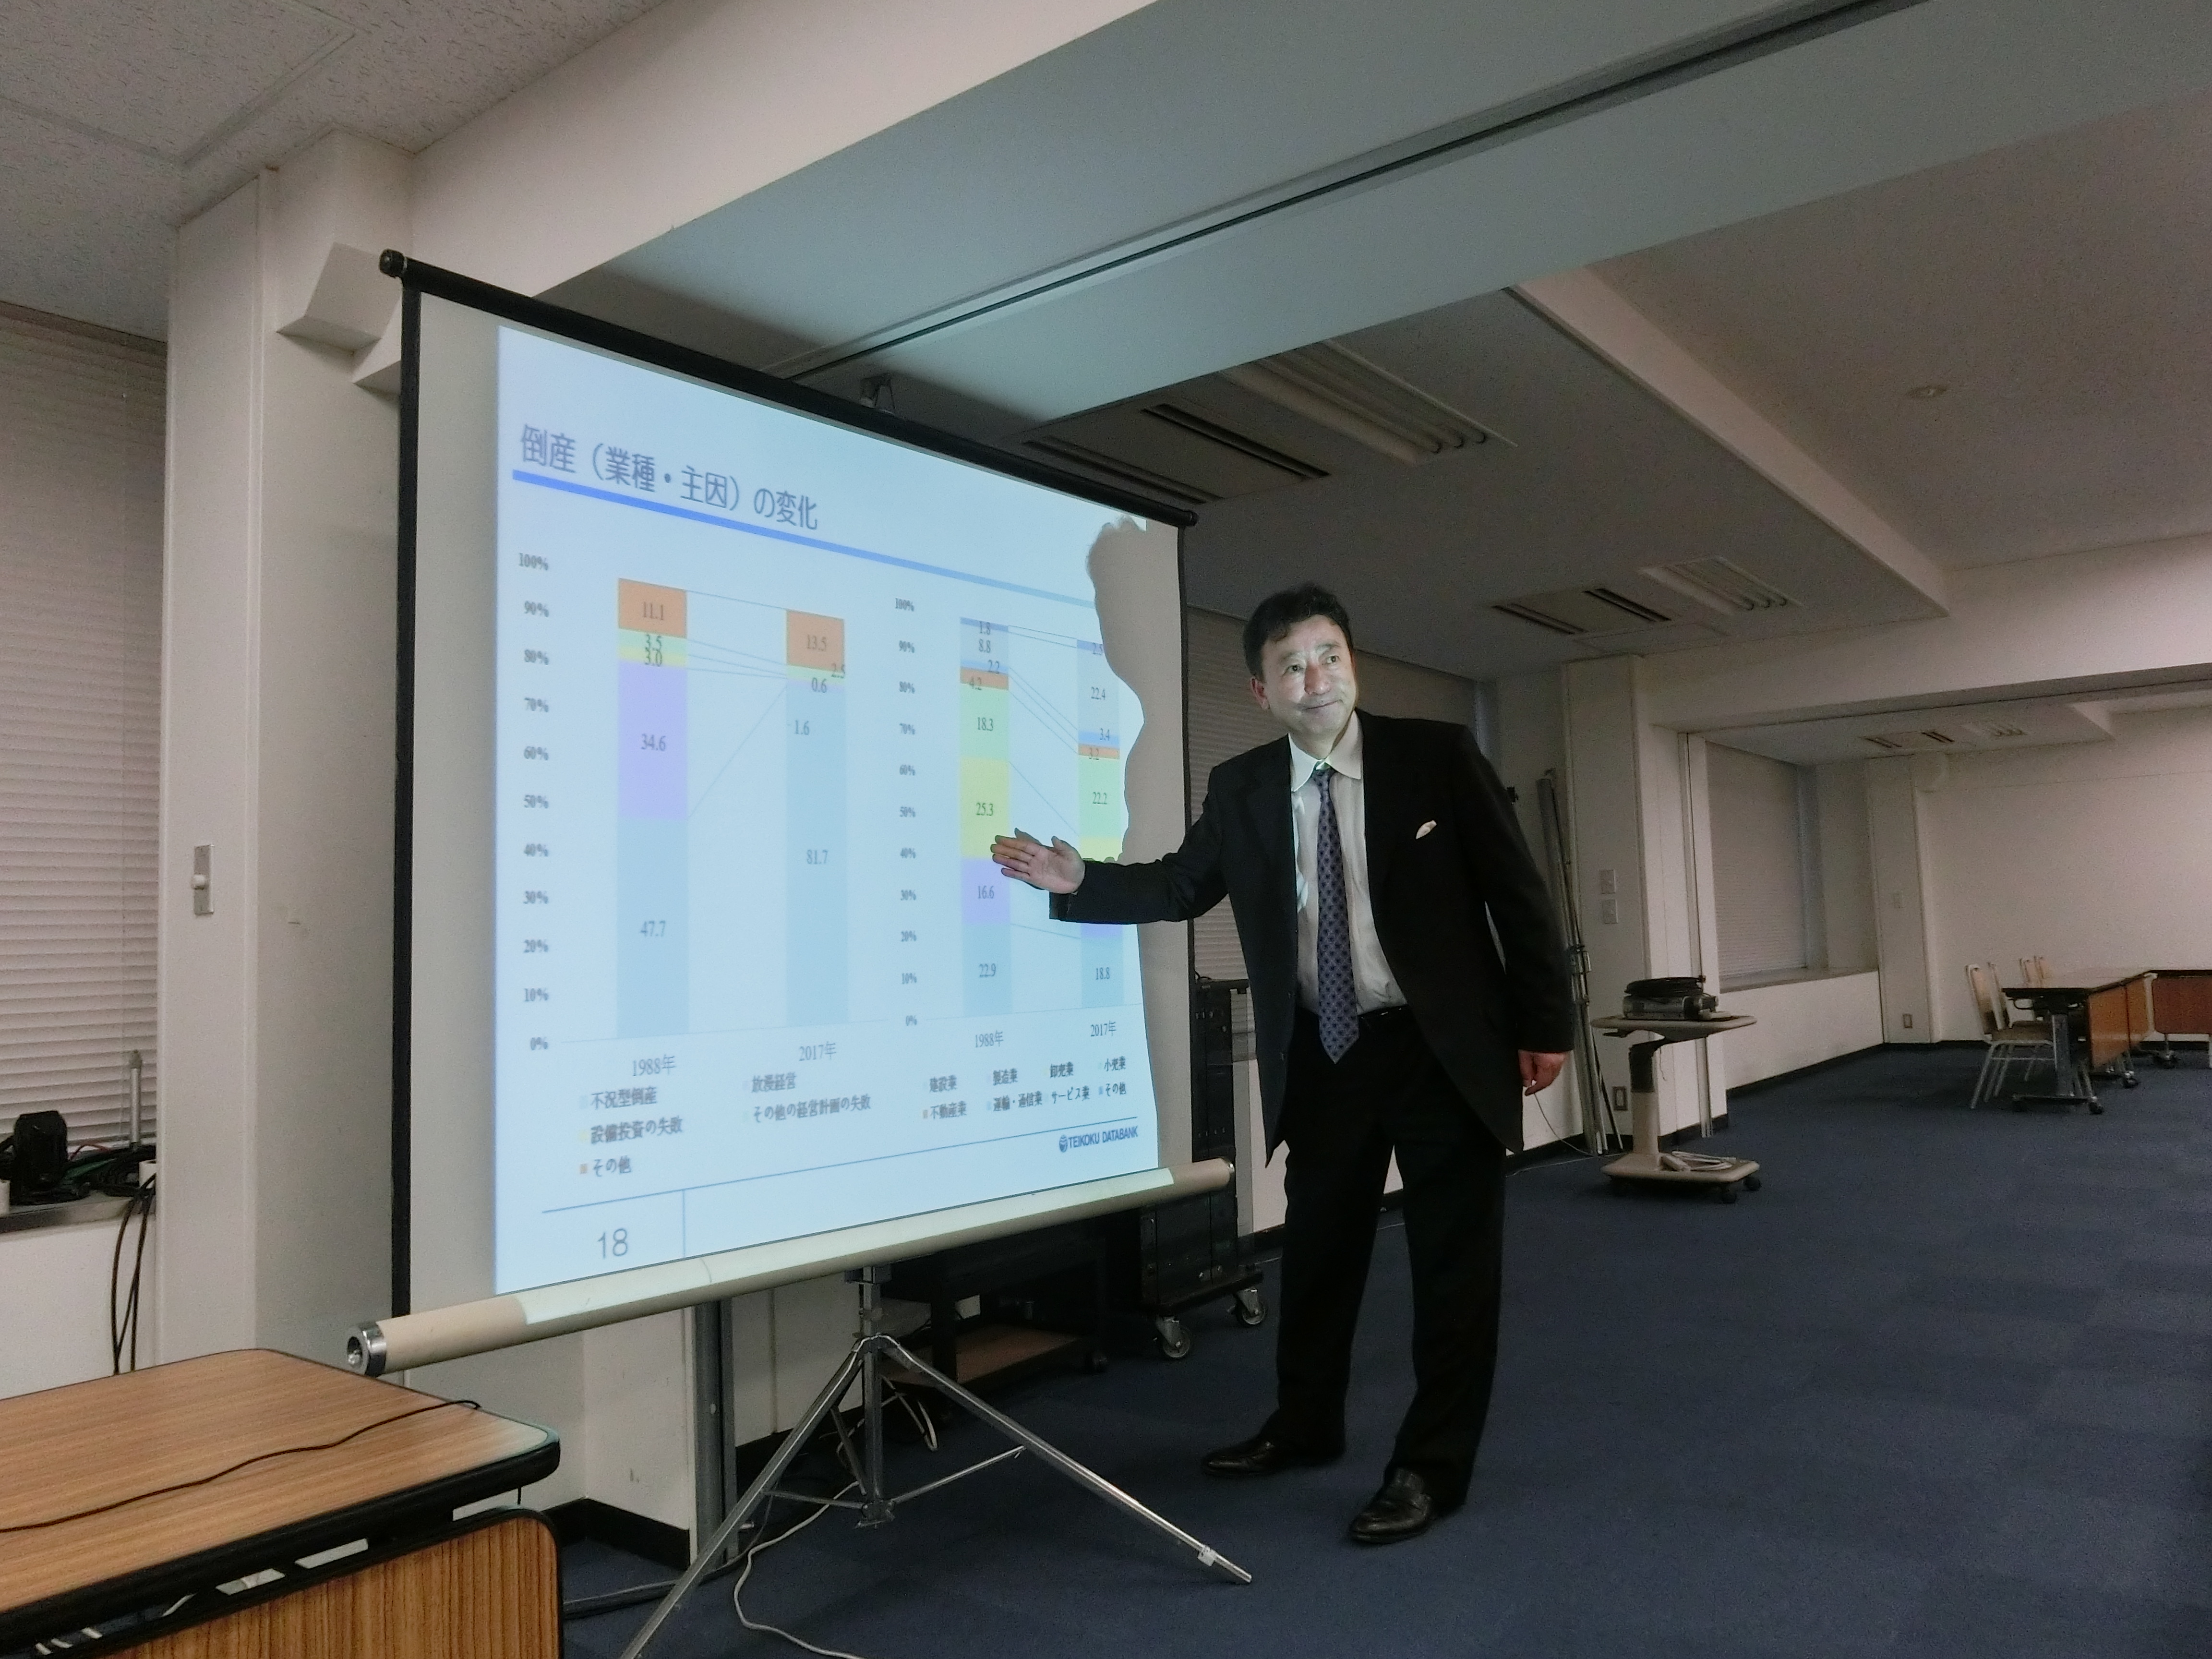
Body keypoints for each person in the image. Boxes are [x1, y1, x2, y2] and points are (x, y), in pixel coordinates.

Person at [991, 583, 1573, 1544]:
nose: (1316, 679)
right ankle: (1305, 1426)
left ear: (1353, 665)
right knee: (1317, 1258)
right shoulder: (1243, 786)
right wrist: (1080, 879)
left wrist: (1544, 1023)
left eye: (1329, 657)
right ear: (1262, 691)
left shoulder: (1436, 757)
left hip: (1439, 1050)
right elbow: (1182, 885)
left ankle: (1431, 1467)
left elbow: (1518, 895)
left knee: (1453, 1268)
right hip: (1326, 1050)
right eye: (1292, 666)